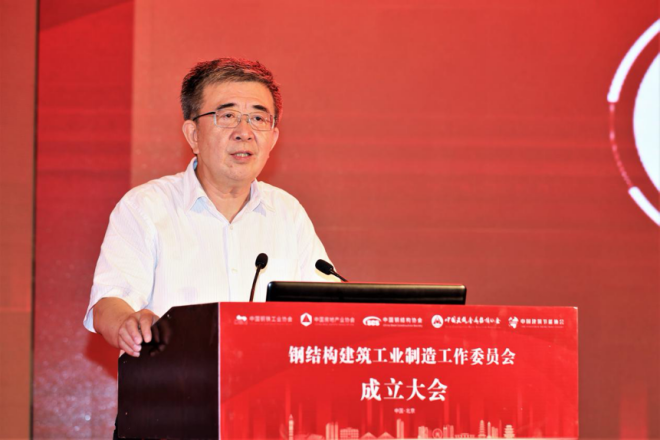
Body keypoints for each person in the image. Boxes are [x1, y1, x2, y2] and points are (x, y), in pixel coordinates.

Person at [84, 57, 333, 357]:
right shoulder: (146, 207)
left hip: (269, 383)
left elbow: (328, 307)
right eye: (227, 116)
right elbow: (108, 303)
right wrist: (128, 322)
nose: (244, 131)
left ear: (273, 139)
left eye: (258, 118)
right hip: (174, 382)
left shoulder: (288, 213)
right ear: (193, 135)